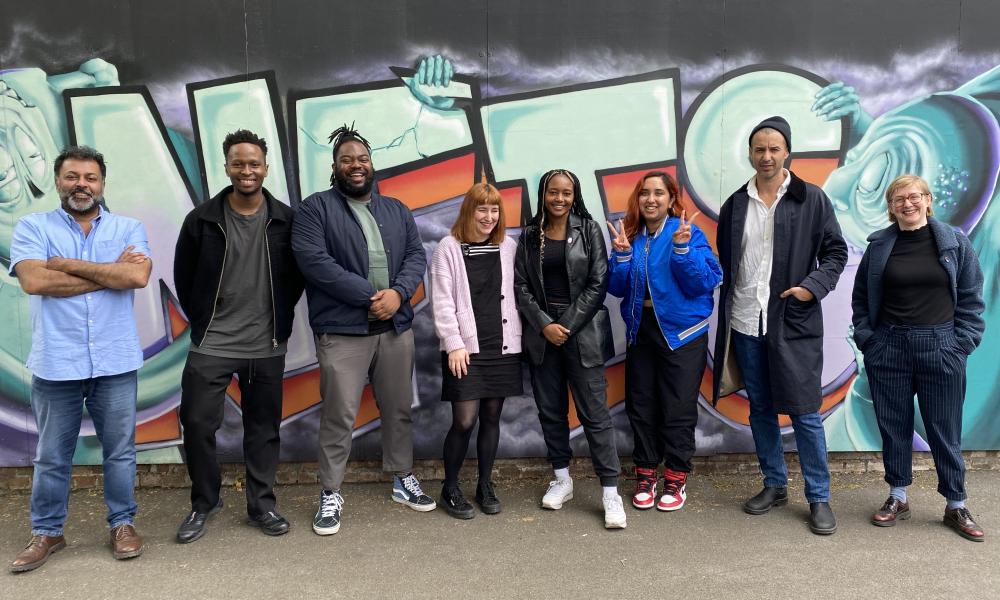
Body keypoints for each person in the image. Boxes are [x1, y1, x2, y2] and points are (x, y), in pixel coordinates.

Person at [8, 145, 151, 572]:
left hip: (115, 362)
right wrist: (109, 274)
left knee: (120, 452)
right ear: (57, 181)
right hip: (57, 362)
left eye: (90, 178)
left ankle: (122, 524)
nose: (81, 185)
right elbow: (34, 281)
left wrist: (67, 266)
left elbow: (137, 276)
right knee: (52, 455)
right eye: (72, 177)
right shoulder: (33, 226)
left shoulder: (129, 227)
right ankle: (48, 531)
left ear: (102, 184)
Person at [292, 124, 434, 536]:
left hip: (395, 327)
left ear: (373, 164)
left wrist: (399, 294)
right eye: (347, 159)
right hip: (343, 331)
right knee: (340, 414)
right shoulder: (314, 209)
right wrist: (371, 296)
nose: (356, 165)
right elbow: (314, 262)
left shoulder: (396, 210)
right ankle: (331, 492)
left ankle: (402, 478)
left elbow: (415, 255)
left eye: (363, 158)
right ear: (334, 167)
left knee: (398, 408)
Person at [713, 117, 848, 535]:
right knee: (761, 409)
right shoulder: (736, 204)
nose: (766, 156)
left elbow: (836, 253)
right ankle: (774, 484)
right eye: (759, 149)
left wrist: (811, 288)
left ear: (787, 151)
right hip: (745, 320)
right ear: (750, 154)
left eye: (774, 148)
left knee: (806, 412)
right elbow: (727, 259)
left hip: (792, 320)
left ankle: (819, 496)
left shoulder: (812, 199)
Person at [172, 129, 304, 543]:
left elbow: (297, 276)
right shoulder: (202, 220)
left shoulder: (286, 219)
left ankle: (261, 504)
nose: (246, 170)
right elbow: (184, 276)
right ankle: (204, 502)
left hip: (266, 344)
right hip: (212, 343)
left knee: (263, 428)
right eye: (238, 163)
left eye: (253, 163)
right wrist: (203, 319)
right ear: (226, 166)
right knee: (196, 423)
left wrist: (277, 317)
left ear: (265, 167)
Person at [851, 174, 986, 541]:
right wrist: (869, 340)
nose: (906, 204)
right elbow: (861, 297)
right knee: (894, 426)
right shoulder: (880, 246)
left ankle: (956, 503)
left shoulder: (953, 242)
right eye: (897, 200)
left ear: (927, 200)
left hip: (941, 346)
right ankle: (898, 496)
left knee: (944, 429)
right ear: (891, 207)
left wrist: (962, 342)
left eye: (913, 197)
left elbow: (972, 294)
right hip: (889, 347)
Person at [514, 168, 626, 529]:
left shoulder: (589, 230)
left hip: (583, 334)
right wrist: (545, 324)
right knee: (551, 411)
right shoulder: (530, 236)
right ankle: (562, 479)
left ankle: (611, 491)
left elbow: (598, 281)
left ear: (574, 195)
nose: (559, 199)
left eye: (566, 193)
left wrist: (568, 325)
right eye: (553, 193)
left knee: (595, 415)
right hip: (543, 335)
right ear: (543, 195)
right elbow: (520, 287)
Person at [606, 171, 721, 511]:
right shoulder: (632, 236)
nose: (651, 199)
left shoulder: (687, 232)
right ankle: (645, 474)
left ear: (671, 199)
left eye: (658, 193)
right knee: (641, 405)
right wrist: (623, 258)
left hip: (682, 335)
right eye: (644, 193)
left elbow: (705, 281)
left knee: (677, 408)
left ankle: (675, 476)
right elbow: (615, 288)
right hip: (641, 331)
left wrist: (683, 250)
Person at [430, 182, 522, 519]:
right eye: (482, 209)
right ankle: (450, 486)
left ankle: (485, 484)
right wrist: (453, 344)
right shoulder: (448, 248)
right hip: (466, 350)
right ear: (469, 210)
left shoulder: (507, 247)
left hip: (502, 346)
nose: (488, 216)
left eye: (494, 209)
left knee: (492, 417)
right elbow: (441, 301)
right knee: (465, 420)